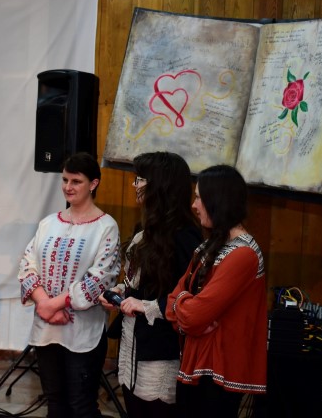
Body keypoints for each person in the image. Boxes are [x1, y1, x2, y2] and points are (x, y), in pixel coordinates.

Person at [99, 152, 202, 418]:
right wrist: (121, 292)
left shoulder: (185, 236)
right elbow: (140, 283)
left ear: (160, 185)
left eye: (140, 179)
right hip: (133, 345)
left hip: (161, 351)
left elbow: (191, 298)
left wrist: (145, 306)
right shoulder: (145, 230)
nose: (135, 185)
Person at [18, 152, 120, 418]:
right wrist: (44, 304)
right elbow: (27, 265)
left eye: (76, 181)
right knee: (55, 403)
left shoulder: (106, 227)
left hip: (82, 332)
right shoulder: (49, 222)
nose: (68, 187)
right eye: (65, 180)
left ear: (93, 184)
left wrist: (53, 304)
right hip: (47, 328)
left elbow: (99, 279)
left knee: (81, 406)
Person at [166, 164, 266, 418]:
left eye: (199, 197)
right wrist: (185, 305)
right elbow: (172, 303)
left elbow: (193, 315)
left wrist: (184, 307)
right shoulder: (208, 246)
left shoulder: (243, 254)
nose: (194, 205)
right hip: (197, 363)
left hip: (218, 371)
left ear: (217, 201)